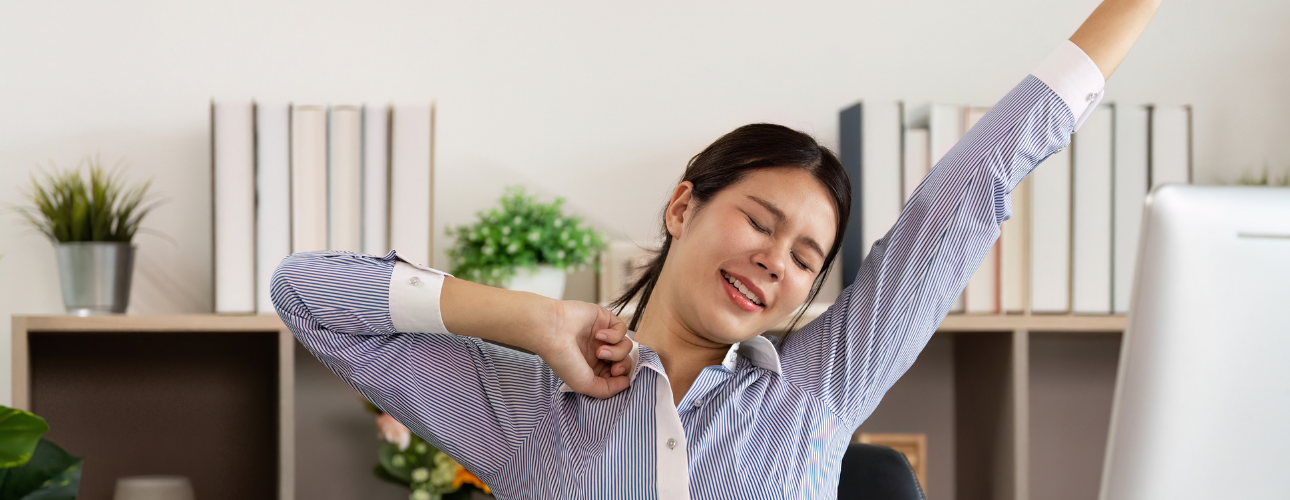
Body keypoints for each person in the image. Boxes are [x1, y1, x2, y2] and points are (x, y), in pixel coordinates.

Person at [271, 1, 1160, 497]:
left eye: (808, 257)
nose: (779, 260)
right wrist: (540, 322)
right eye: (761, 222)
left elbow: (965, 195)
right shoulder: (533, 407)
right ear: (682, 207)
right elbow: (306, 293)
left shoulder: (817, 388)